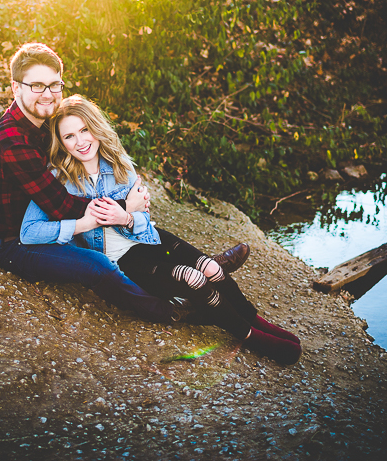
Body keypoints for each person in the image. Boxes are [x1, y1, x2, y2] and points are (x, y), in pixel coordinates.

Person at [0, 42, 246, 324]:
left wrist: (128, 202)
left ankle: (201, 267)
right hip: (17, 243)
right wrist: (123, 205)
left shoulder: (39, 122)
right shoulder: (12, 142)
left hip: (50, 220)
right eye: (37, 86)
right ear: (16, 88)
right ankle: (171, 310)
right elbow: (61, 205)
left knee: (136, 231)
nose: (48, 94)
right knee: (97, 264)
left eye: (55, 85)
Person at [20, 95, 302, 365]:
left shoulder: (120, 164)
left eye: (84, 130)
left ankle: (257, 320)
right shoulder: (57, 178)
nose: (80, 141)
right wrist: (86, 223)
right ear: (61, 142)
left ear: (95, 128)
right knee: (193, 279)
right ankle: (252, 336)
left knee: (212, 269)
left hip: (147, 238)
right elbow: (28, 233)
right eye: (69, 136)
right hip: (121, 260)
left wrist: (127, 217)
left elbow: (143, 220)